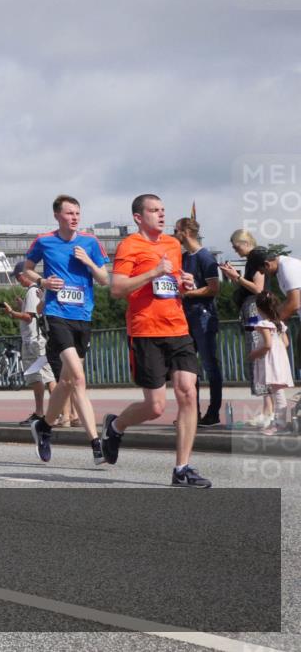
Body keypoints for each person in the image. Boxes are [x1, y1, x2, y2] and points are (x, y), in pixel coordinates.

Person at [104, 194, 211, 487]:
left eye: (163, 210)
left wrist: (184, 283)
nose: (161, 215)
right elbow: (117, 288)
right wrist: (153, 271)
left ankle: (182, 469)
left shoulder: (173, 245)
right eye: (154, 211)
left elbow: (173, 280)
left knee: (188, 392)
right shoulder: (129, 245)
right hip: (145, 331)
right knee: (155, 407)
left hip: (177, 328)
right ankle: (115, 426)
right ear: (139, 217)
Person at [23, 194, 110, 465]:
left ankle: (44, 427)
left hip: (83, 316)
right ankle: (96, 443)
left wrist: (89, 262)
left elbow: (105, 280)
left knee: (69, 382)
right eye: (69, 213)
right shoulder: (44, 241)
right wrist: (43, 282)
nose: (74, 217)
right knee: (79, 378)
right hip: (56, 314)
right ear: (57, 216)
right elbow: (26, 270)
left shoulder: (90, 243)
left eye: (77, 213)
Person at [174, 217, 223, 426]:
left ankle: (213, 412)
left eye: (177, 230)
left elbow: (213, 288)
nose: (175, 234)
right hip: (186, 316)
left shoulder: (206, 258)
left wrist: (190, 294)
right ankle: (191, 411)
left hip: (203, 316)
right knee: (187, 367)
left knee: (209, 365)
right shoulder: (183, 257)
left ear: (185, 232)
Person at [219, 233, 272, 426]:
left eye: (236, 246)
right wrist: (236, 278)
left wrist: (237, 278)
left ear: (246, 243)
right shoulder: (254, 259)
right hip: (253, 310)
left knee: (257, 355)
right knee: (257, 355)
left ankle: (268, 412)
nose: (235, 250)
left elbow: (258, 288)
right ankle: (269, 410)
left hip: (253, 310)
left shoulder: (255, 258)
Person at [2, 262, 56, 426]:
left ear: (23, 276)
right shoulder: (32, 292)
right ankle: (46, 412)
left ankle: (54, 412)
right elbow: (31, 312)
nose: (18, 280)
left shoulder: (32, 292)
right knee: (39, 377)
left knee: (46, 377)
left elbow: (29, 317)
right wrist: (22, 305)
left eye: (18, 277)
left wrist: (12, 312)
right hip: (33, 340)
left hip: (34, 341)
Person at [249, 291, 294, 435]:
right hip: (280, 360)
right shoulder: (279, 323)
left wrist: (254, 353)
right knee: (278, 392)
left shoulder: (263, 324)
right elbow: (286, 343)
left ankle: (280, 425)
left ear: (259, 309)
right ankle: (278, 423)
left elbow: (267, 344)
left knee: (278, 393)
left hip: (271, 361)